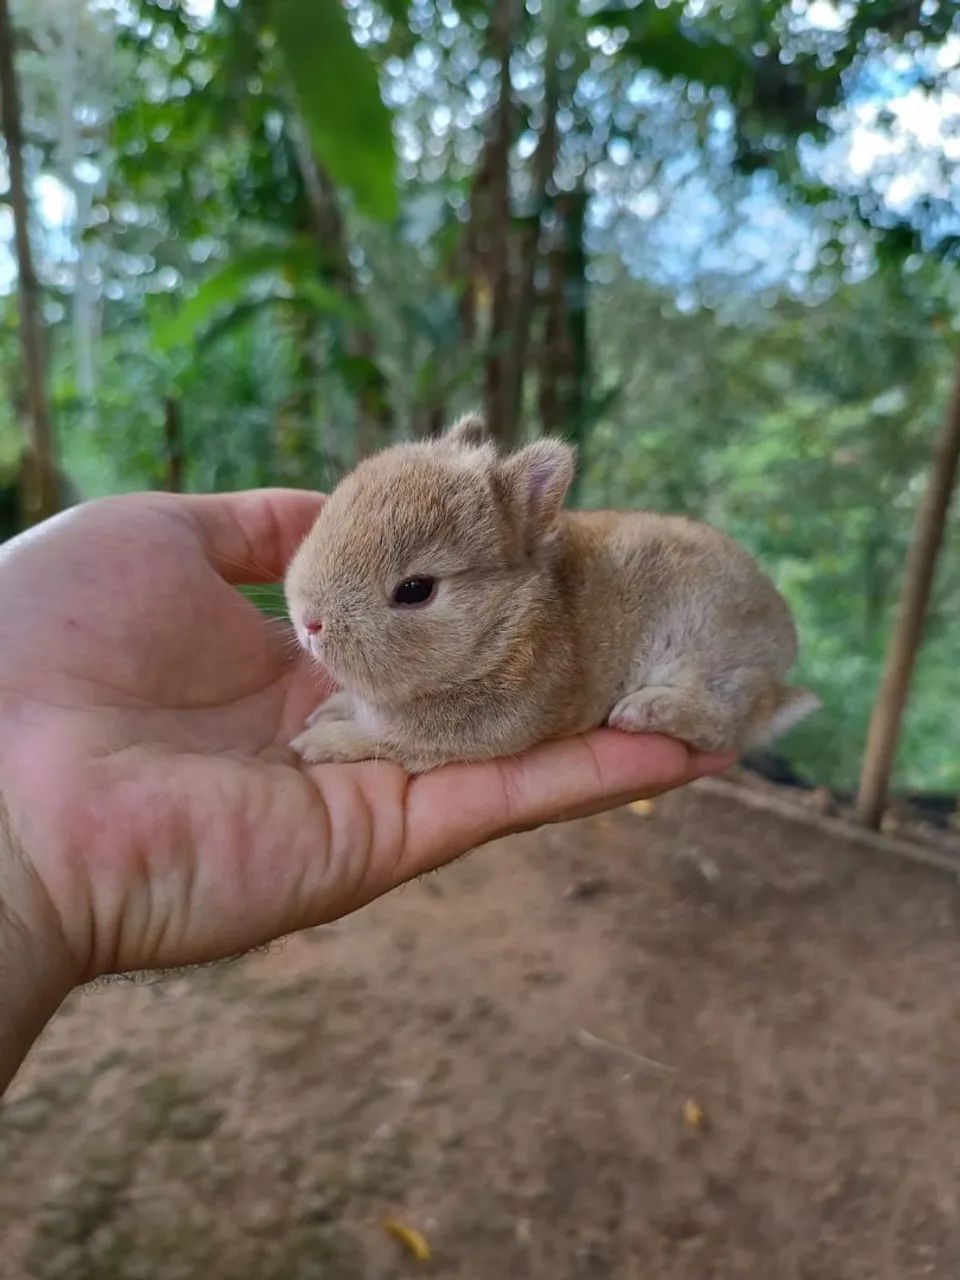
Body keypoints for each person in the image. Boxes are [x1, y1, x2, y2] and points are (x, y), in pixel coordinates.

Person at [0, 489, 732, 1091]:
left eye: (413, 591)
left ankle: (707, 699)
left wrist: (383, 739)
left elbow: (502, 720)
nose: (312, 623)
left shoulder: (530, 650)